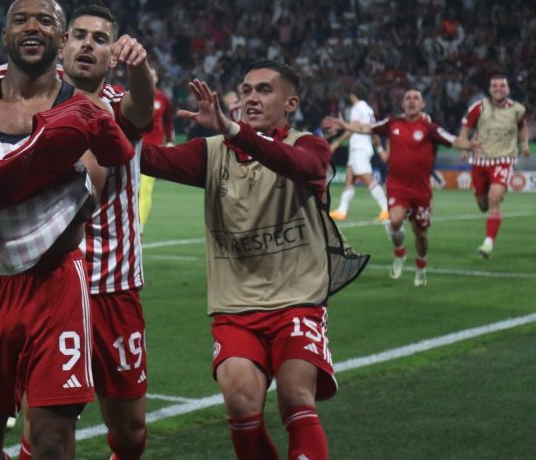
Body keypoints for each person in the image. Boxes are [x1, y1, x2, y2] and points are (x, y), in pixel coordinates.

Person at [0, 2, 156, 460]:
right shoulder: (15, 87)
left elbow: (142, 108)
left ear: (113, 53)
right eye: (81, 35)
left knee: (129, 431)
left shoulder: (111, 105)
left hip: (108, 280)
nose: (88, 45)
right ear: (64, 45)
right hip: (34, 272)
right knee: (41, 427)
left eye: (100, 39)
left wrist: (140, 67)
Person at [141, 60, 367, 460]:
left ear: (290, 103)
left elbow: (305, 167)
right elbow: (147, 159)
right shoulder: (212, 152)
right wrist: (96, 115)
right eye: (246, 90)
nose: (251, 98)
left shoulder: (308, 145)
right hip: (235, 307)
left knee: (295, 397)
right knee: (241, 403)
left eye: (264, 90)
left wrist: (234, 131)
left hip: (297, 301)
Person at [323, 89, 470, 286]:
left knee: (420, 233)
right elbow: (368, 129)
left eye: (416, 98)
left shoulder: (430, 128)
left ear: (423, 104)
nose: (411, 101)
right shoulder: (393, 123)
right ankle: (399, 252)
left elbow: (454, 140)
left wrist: (474, 146)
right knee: (394, 220)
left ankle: (421, 264)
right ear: (402, 104)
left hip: (421, 189)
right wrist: (345, 125)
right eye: (408, 98)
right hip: (397, 185)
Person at [455, 74, 530, 259]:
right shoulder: (478, 107)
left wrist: (525, 144)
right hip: (480, 161)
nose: (498, 89)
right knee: (483, 204)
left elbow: (522, 127)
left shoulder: (518, 109)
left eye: (502, 86)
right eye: (494, 86)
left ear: (508, 89)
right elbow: (464, 132)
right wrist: (464, 147)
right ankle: (489, 194)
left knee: (494, 198)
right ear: (489, 89)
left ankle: (488, 243)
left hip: (504, 159)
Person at [328, 84, 390, 222]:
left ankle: (386, 209)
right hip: (362, 146)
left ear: (353, 95)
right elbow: (373, 129)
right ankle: (342, 211)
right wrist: (379, 148)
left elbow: (353, 128)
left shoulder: (357, 108)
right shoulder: (368, 109)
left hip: (359, 148)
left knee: (367, 178)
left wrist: (337, 142)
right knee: (349, 178)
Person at [139, 66, 173, 231]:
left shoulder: (163, 98)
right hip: (134, 147)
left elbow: (169, 121)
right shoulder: (134, 95)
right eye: (148, 74)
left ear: (157, 79)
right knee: (131, 188)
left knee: (145, 188)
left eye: (153, 75)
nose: (150, 77)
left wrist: (170, 141)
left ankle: (140, 227)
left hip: (153, 150)